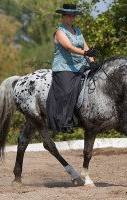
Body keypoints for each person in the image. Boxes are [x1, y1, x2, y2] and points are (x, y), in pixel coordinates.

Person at [46, 3, 98, 134]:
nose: (71, 18)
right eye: (68, 15)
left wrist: (92, 62)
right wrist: (85, 53)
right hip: (64, 67)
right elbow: (68, 47)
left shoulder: (78, 31)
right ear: (63, 16)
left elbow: (85, 47)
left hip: (80, 65)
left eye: (73, 16)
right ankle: (63, 122)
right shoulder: (60, 31)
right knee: (66, 91)